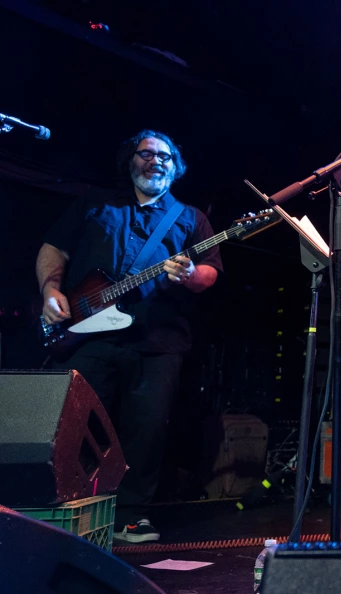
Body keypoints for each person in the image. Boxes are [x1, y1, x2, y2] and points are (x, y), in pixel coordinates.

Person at [36, 130, 223, 543]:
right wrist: (51, 290)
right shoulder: (94, 204)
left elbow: (209, 271)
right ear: (130, 161)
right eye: (146, 153)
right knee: (75, 421)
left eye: (165, 156)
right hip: (88, 336)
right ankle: (69, 508)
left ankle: (131, 515)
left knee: (147, 426)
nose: (155, 160)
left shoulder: (191, 218)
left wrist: (190, 275)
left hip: (158, 341)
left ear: (176, 167)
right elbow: (54, 248)